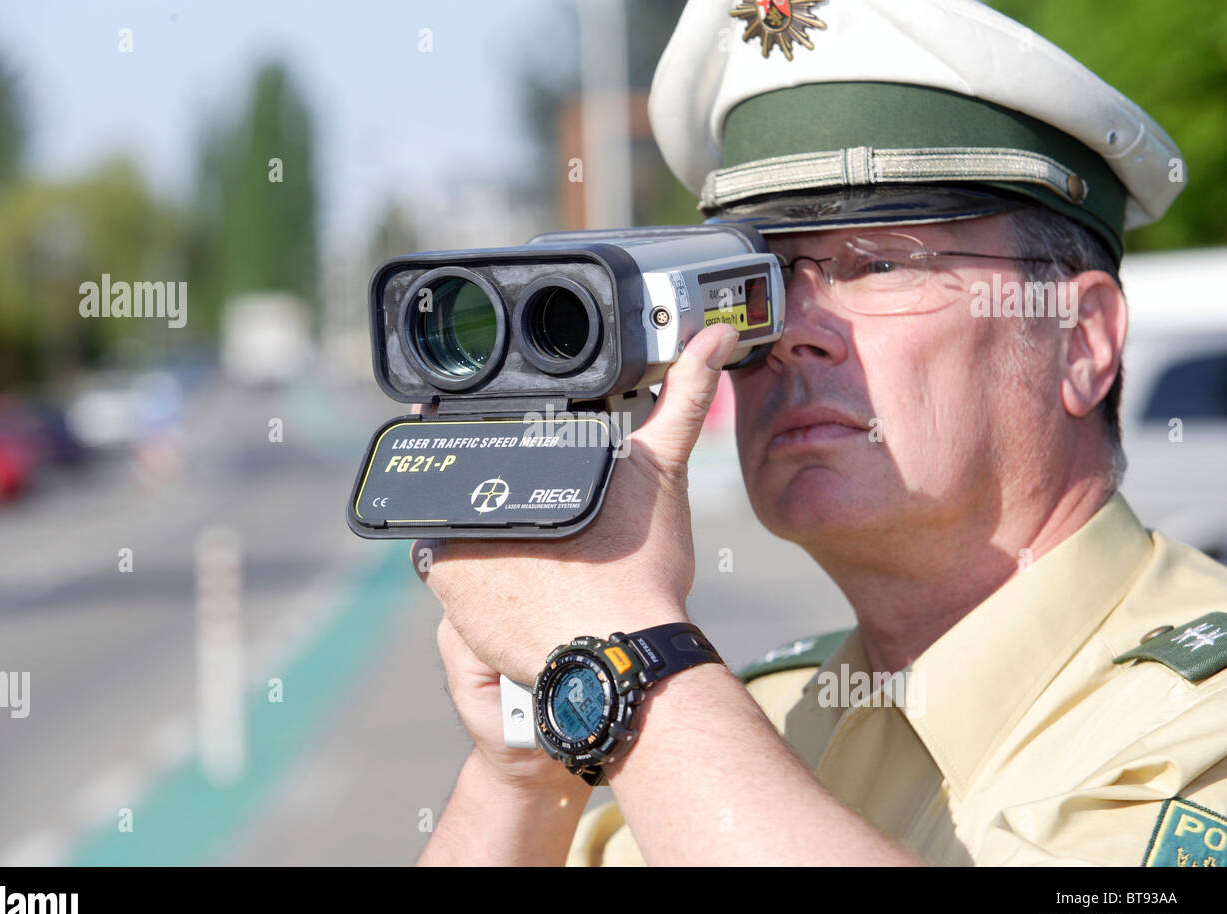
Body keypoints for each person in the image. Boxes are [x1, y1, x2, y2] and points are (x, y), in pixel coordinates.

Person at [413, 0, 1227, 866]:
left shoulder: (1200, 723)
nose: (789, 329)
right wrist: (523, 774)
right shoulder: (750, 722)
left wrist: (628, 657)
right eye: (756, 278)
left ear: (1082, 341)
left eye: (878, 263)